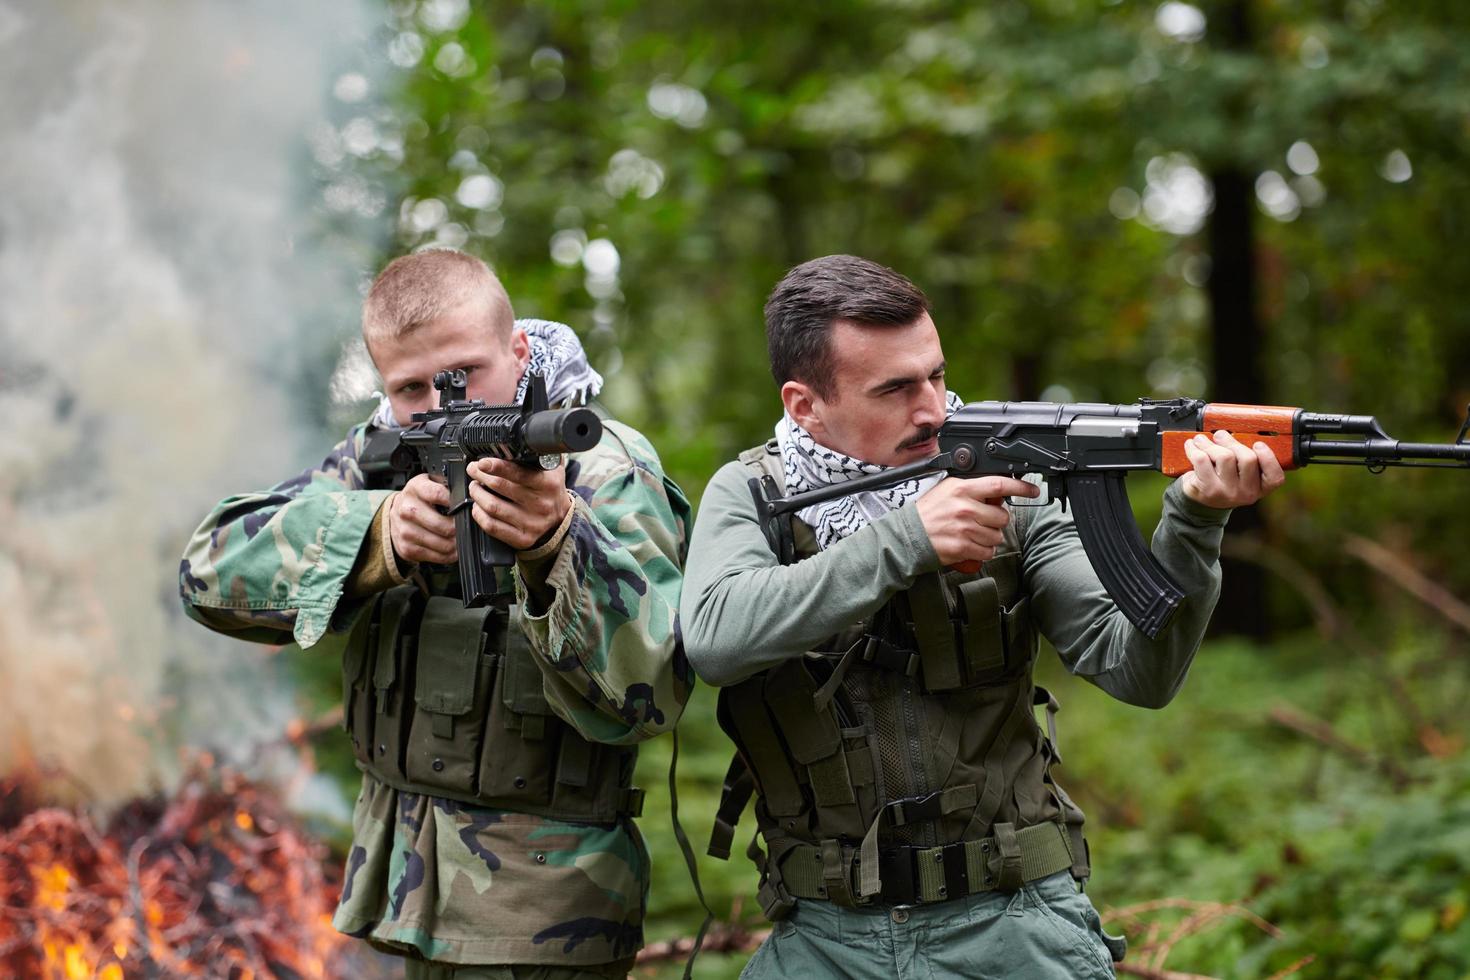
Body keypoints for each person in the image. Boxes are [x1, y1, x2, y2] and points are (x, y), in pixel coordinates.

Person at [680, 254, 1285, 979]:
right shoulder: (753, 493)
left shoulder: (1008, 477)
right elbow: (715, 638)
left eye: (935, 374)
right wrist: (908, 540)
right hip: (824, 937)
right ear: (805, 405)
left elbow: (1137, 668)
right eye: (896, 389)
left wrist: (1192, 525)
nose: (933, 408)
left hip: (1013, 924)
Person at [179, 248, 691, 979]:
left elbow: (656, 688)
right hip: (391, 896)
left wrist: (556, 542)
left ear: (519, 349)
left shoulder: (604, 469)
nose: (439, 403)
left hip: (541, 919)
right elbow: (207, 570)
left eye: (463, 374)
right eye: (410, 386)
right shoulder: (379, 455)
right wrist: (375, 536)